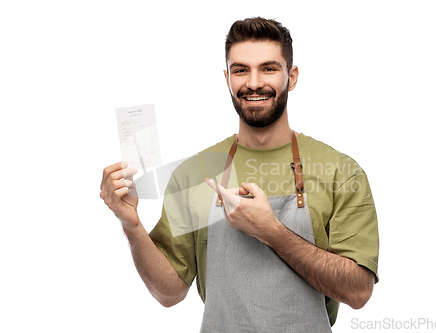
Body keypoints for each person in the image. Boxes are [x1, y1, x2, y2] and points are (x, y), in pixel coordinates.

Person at [100, 17, 379, 332]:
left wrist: (270, 231)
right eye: (241, 70)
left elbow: (358, 291)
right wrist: (131, 224)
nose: (254, 82)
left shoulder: (340, 171)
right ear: (227, 77)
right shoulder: (194, 172)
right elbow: (170, 293)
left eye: (269, 68)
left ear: (293, 76)